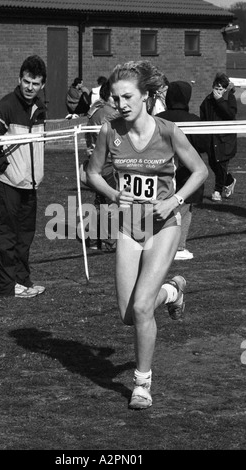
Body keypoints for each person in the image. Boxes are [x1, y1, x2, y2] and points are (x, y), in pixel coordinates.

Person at [86, 60, 208, 410]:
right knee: (129, 315)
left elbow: (199, 171)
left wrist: (174, 200)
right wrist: (113, 195)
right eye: (115, 97)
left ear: (145, 96)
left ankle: (142, 384)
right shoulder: (110, 132)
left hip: (163, 228)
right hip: (128, 227)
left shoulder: (168, 131)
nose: (121, 104)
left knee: (141, 306)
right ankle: (173, 291)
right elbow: (91, 173)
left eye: (127, 96)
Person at [0, 55, 47, 298]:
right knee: (7, 235)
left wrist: (33, 173)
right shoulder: (5, 106)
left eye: (36, 83)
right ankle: (7, 287)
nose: (30, 87)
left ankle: (23, 281)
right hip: (6, 184)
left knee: (25, 237)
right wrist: (9, 169)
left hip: (29, 185)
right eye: (27, 82)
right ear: (19, 80)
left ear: (42, 85)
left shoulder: (40, 109)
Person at [157, 80, 209, 260]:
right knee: (185, 207)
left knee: (162, 207)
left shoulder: (158, 118)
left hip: (161, 170)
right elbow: (203, 145)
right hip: (188, 173)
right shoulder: (194, 120)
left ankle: (161, 244)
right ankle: (178, 247)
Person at [84, 80, 120, 250]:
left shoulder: (95, 110)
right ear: (109, 96)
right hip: (107, 164)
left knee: (99, 202)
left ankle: (92, 240)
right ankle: (109, 241)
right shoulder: (110, 114)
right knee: (112, 202)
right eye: (117, 96)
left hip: (95, 163)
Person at [200, 72, 237, 202]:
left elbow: (230, 114)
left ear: (225, 89)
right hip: (211, 138)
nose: (217, 91)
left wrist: (220, 101)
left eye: (220, 89)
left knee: (221, 164)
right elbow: (203, 116)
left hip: (225, 139)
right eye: (216, 88)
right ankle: (229, 180)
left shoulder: (229, 98)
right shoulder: (207, 100)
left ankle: (217, 191)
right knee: (213, 163)